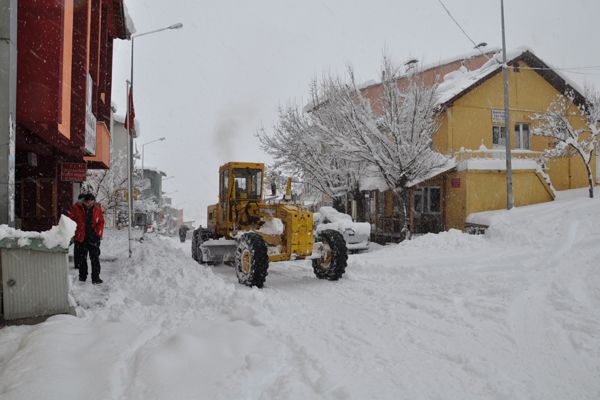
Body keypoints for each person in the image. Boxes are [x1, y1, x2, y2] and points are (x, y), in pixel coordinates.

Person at [68, 193, 105, 284]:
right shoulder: (76, 208)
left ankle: (96, 278)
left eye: (91, 202)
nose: (89, 204)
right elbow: (70, 221)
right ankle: (82, 276)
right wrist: (75, 232)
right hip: (81, 237)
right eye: (87, 202)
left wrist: (98, 232)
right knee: (82, 258)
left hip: (93, 237)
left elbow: (101, 222)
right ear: (84, 201)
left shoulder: (97, 208)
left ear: (93, 201)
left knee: (95, 258)